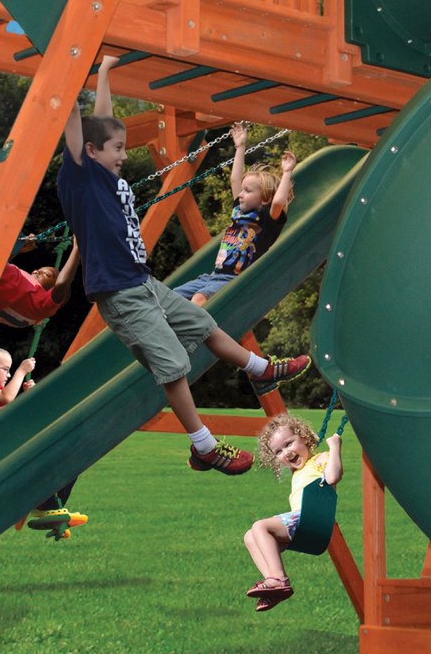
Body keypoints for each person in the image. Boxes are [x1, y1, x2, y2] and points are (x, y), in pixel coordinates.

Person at [58, 55, 309, 475]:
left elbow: (100, 121)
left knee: (203, 324)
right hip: (119, 292)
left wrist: (102, 72)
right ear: (89, 153)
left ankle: (262, 371)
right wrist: (68, 68)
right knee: (175, 363)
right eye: (117, 149)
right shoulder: (82, 179)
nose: (123, 153)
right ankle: (204, 445)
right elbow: (77, 126)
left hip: (143, 283)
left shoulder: (104, 170)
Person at [0, 344, 82, 538]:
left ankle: (54, 511)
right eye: (6, 370)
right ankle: (47, 507)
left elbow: (15, 411)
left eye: (10, 371)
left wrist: (29, 396)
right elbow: (8, 397)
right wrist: (21, 371)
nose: (8, 375)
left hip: (10, 443)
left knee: (71, 464)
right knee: (54, 458)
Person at [172, 122, 296, 306]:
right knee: (171, 297)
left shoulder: (266, 220)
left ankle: (188, 331)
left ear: (264, 200)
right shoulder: (239, 210)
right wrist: (240, 147)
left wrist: (286, 172)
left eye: (247, 191)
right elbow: (235, 179)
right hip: (214, 275)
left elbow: (278, 201)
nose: (241, 194)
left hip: (234, 281)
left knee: (199, 298)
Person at [242, 414, 342, 610]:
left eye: (289, 444)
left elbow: (332, 477)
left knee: (259, 527)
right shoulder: (297, 473)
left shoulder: (320, 459)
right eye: (279, 451)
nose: (286, 453)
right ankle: (274, 587)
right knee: (249, 537)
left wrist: (335, 446)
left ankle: (279, 579)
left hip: (312, 519)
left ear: (304, 436)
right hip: (301, 525)